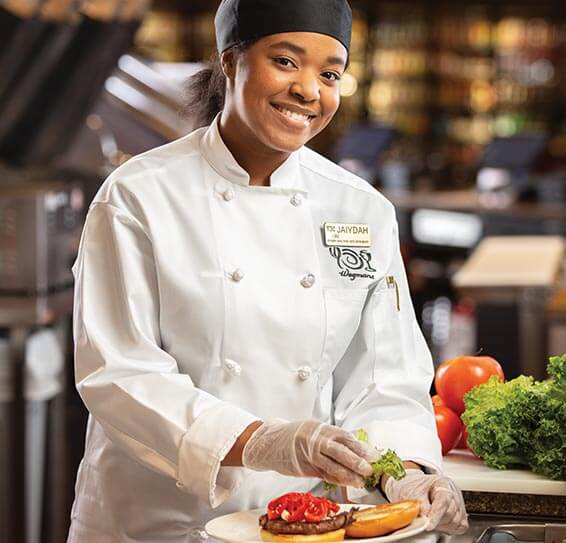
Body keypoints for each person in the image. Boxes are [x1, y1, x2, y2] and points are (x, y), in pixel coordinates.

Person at [67, 0, 468, 541]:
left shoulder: (360, 209)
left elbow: (383, 378)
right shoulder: (138, 196)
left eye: (330, 74)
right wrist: (259, 441)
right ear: (230, 63)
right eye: (286, 61)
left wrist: (408, 476)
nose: (309, 90)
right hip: (158, 521)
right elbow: (120, 373)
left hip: (305, 522)